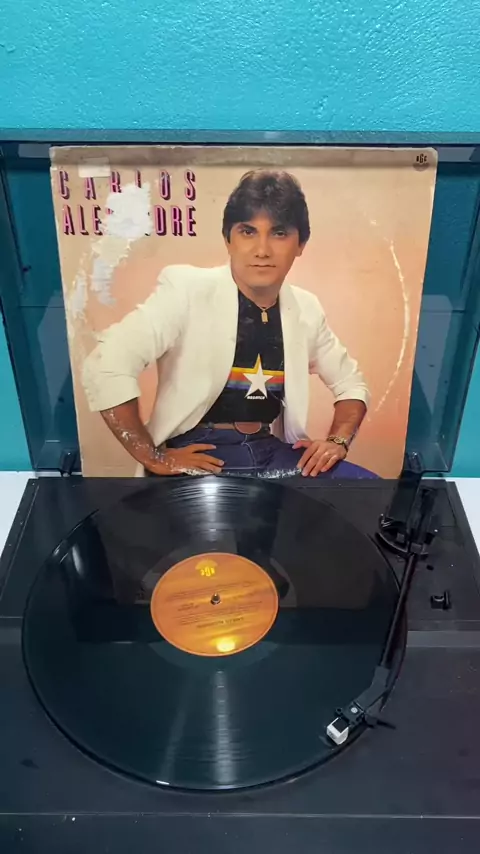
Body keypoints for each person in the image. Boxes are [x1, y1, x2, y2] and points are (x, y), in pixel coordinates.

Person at [82, 169, 376, 479]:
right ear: (228, 239)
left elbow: (352, 385)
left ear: (301, 243)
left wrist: (337, 441)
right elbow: (106, 363)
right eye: (248, 232)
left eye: (279, 233)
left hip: (269, 451)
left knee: (366, 490)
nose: (262, 250)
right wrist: (153, 457)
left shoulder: (306, 308)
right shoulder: (186, 289)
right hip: (200, 454)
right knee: (227, 512)